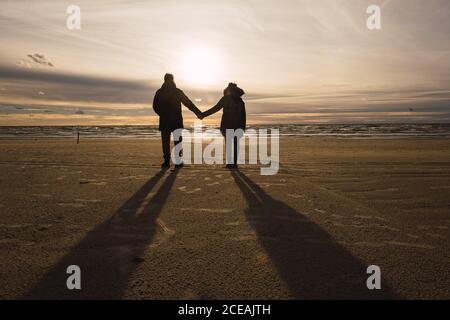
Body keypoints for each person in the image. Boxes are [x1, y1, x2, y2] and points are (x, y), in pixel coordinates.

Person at [153, 73, 202, 168]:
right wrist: (198, 113)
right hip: (176, 120)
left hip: (166, 120)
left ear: (164, 80)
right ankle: (177, 162)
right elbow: (188, 103)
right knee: (177, 141)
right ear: (172, 79)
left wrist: (162, 114)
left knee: (166, 142)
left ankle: (167, 162)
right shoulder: (176, 91)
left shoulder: (160, 92)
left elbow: (155, 106)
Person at [201, 82, 246, 169]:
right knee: (236, 144)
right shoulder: (240, 101)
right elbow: (243, 116)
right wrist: (242, 127)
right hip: (238, 126)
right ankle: (235, 164)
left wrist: (203, 115)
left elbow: (215, 108)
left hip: (228, 124)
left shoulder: (226, 99)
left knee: (229, 144)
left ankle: (230, 163)